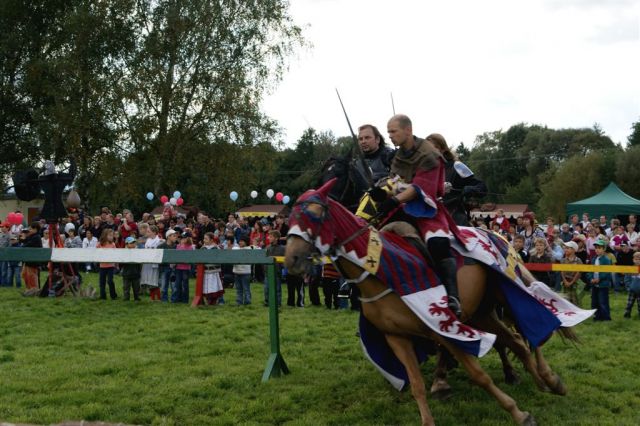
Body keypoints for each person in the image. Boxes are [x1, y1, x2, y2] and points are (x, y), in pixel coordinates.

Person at [376, 114, 464, 315]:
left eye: (393, 131)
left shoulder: (430, 154)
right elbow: (396, 184)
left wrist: (394, 200)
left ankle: (453, 297)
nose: (389, 136)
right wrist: (382, 193)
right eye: (388, 132)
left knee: (438, 244)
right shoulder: (399, 156)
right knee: (376, 241)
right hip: (402, 209)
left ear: (408, 130)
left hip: (427, 210)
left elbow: (419, 189)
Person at [426, 133, 487, 226]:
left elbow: (482, 187)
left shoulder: (457, 166)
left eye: (433, 148)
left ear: (443, 149)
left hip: (455, 221)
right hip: (431, 220)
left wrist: (472, 189)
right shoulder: (424, 171)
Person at [588, 239, 612, 321]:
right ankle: (596, 317)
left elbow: (606, 272)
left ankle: (606, 318)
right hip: (594, 284)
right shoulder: (594, 259)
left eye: (599, 248)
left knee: (603, 302)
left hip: (603, 284)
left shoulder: (606, 259)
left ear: (604, 249)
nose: (597, 249)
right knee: (594, 301)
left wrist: (599, 279)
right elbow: (590, 270)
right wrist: (591, 278)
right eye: (596, 248)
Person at [201, 232, 224, 305]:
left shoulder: (215, 248)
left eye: (206, 239)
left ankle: (216, 300)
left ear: (211, 240)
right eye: (204, 238)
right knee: (207, 287)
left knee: (214, 286)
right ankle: (208, 300)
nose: (204, 240)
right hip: (206, 271)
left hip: (214, 271)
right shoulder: (203, 248)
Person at [140, 225, 162, 301]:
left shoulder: (158, 241)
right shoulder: (148, 240)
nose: (147, 233)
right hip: (147, 262)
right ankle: (152, 298)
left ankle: (158, 298)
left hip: (153, 263)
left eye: (149, 231)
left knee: (154, 281)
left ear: (154, 232)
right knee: (148, 280)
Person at [264, 230, 284, 307]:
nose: (269, 238)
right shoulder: (267, 248)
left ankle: (278, 303)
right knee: (267, 289)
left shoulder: (282, 249)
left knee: (277, 289)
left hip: (277, 272)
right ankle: (267, 302)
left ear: (276, 238)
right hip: (267, 272)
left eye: (271, 236)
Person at [157, 228, 178, 302]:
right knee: (163, 285)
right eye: (174, 236)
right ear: (168, 236)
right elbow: (158, 259)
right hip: (164, 268)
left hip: (174, 269)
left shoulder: (176, 247)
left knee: (174, 286)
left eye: (176, 236)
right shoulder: (160, 246)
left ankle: (174, 300)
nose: (176, 237)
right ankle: (164, 300)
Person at [20, 222, 42, 291]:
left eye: (31, 229)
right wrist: (22, 238)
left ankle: (34, 290)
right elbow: (25, 241)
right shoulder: (32, 236)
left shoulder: (37, 237)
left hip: (33, 260)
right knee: (24, 275)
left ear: (35, 229)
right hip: (28, 259)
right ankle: (29, 289)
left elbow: (27, 245)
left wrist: (24, 240)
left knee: (31, 276)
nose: (29, 230)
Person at [97, 228, 117, 300]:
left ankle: (113, 295)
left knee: (110, 281)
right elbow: (96, 253)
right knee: (102, 282)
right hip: (102, 266)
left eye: (112, 235)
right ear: (105, 235)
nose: (111, 237)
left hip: (110, 266)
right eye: (110, 235)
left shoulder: (113, 244)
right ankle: (103, 296)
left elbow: (115, 255)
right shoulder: (99, 244)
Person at [175, 232, 195, 303]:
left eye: (184, 238)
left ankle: (185, 299)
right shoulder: (178, 246)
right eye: (182, 238)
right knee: (178, 284)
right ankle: (178, 298)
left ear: (188, 238)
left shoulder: (190, 247)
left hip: (186, 268)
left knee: (185, 284)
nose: (182, 239)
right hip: (178, 267)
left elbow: (189, 257)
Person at [560, 241, 582, 306]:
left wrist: (572, 282)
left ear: (573, 250)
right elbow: (562, 271)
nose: (565, 249)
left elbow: (579, 272)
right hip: (565, 282)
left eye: (567, 248)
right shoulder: (563, 260)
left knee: (575, 299)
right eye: (565, 248)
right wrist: (565, 281)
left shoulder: (578, 260)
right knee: (565, 298)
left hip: (575, 283)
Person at [121, 236, 141, 301]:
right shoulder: (123, 252)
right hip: (126, 273)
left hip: (136, 273)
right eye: (131, 243)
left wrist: (139, 271)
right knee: (126, 287)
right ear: (126, 244)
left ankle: (136, 297)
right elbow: (121, 263)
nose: (133, 244)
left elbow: (139, 263)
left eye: (134, 243)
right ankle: (126, 298)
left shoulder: (137, 252)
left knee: (136, 287)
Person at [233, 236, 252, 305]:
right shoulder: (235, 249)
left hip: (245, 272)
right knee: (238, 289)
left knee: (246, 288)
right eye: (239, 241)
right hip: (236, 271)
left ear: (246, 242)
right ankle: (239, 301)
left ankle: (247, 301)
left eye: (242, 241)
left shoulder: (249, 249)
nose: (240, 242)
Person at [623, 251, 640, 318]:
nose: (638, 261)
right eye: (636, 259)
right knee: (629, 304)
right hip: (632, 290)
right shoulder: (631, 269)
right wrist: (628, 287)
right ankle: (627, 314)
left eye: (639, 259)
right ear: (633, 260)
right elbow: (626, 279)